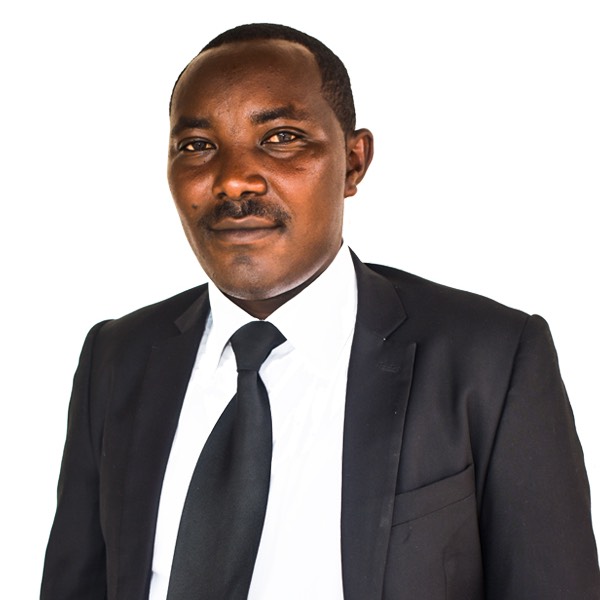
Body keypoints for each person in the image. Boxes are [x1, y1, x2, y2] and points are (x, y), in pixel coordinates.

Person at [41, 23, 599, 600]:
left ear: (353, 162)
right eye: (197, 146)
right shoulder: (117, 357)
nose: (233, 180)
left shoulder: (491, 360)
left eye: (281, 138)